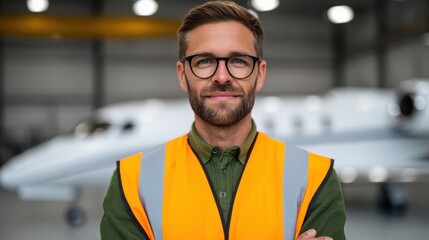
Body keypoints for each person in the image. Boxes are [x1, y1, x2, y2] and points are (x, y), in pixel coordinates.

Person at [100, 1, 346, 239]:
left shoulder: (316, 177)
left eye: (238, 61)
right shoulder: (131, 182)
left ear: (259, 75)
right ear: (182, 75)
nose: (221, 76)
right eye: (205, 61)